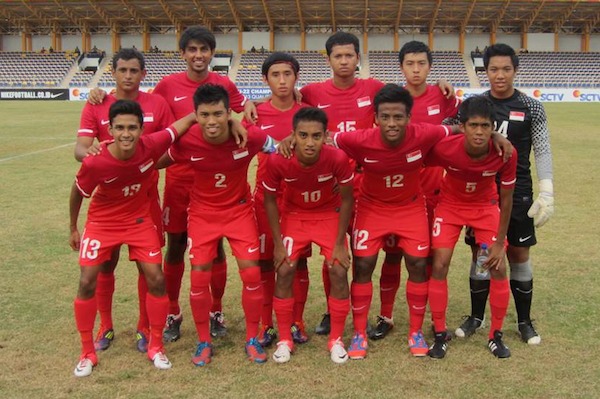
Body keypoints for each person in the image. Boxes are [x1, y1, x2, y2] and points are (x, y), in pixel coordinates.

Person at [299, 32, 455, 336]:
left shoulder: (375, 88)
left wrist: (439, 83)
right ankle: (334, 311)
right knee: (338, 252)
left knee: (395, 253)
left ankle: (389, 317)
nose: (344, 61)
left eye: (350, 56)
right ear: (328, 59)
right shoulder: (311, 93)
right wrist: (259, 100)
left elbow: (409, 94)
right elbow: (288, 101)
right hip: (337, 186)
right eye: (338, 56)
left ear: (359, 58)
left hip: (381, 186)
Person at [69, 99, 195, 377]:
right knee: (87, 280)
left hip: (139, 221)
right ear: (110, 130)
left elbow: (180, 125)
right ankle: (87, 352)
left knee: (156, 277)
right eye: (120, 128)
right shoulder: (95, 161)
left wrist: (216, 116)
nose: (126, 134)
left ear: (141, 129)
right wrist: (73, 228)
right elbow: (78, 191)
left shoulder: (151, 145)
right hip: (102, 223)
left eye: (132, 128)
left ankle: (156, 345)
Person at [333, 84, 458, 359]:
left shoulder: (425, 132)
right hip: (371, 208)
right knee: (364, 265)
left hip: (410, 208)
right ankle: (359, 334)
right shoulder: (357, 139)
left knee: (416, 264)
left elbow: (458, 130)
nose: (392, 123)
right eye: (385, 117)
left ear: (409, 117)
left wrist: (497, 137)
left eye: (398, 117)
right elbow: (327, 139)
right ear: (375, 117)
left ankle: (415, 332)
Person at [158, 84, 276, 366]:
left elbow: (283, 149)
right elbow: (153, 160)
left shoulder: (251, 136)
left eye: (219, 114)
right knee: (199, 276)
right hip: (201, 215)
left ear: (229, 113)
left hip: (239, 213)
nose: (212, 121)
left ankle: (251, 338)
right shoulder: (187, 141)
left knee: (251, 274)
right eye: (205, 115)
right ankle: (203, 342)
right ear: (196, 115)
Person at [75, 48, 175, 354]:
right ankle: (105, 326)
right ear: (113, 73)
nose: (128, 76)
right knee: (105, 265)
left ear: (143, 74)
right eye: (122, 70)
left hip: (145, 202)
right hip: (107, 203)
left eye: (134, 70)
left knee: (149, 268)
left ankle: (145, 326)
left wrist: (142, 166)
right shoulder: (97, 103)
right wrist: (91, 153)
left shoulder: (157, 103)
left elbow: (173, 143)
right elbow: (80, 148)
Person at [455, 43, 554, 346]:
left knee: (519, 254)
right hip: (481, 192)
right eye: (493, 69)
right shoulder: (475, 104)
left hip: (519, 191)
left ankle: (524, 322)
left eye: (506, 69)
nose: (500, 75)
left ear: (515, 70)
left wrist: (548, 188)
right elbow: (450, 129)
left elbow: (542, 148)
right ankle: (476, 316)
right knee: (482, 254)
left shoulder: (532, 106)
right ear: (485, 71)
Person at [368, 40, 461, 341]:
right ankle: (386, 316)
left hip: (434, 192)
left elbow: (465, 125)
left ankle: (437, 320)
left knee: (430, 260)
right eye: (410, 63)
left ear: (430, 67)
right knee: (392, 257)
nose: (416, 69)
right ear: (401, 67)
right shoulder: (393, 100)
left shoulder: (443, 97)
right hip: (397, 195)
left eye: (422, 63)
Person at [426, 95, 517, 359]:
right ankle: (441, 334)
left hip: (485, 207)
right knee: (440, 263)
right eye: (473, 125)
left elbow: (507, 198)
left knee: (498, 266)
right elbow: (415, 154)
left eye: (485, 126)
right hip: (450, 205)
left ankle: (495, 335)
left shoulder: (505, 152)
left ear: (493, 127)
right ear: (462, 126)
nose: (479, 132)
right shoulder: (444, 148)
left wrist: (500, 242)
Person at [263, 107, 354, 364]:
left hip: (328, 215)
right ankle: (284, 339)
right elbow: (270, 201)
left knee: (338, 269)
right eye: (303, 135)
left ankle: (336, 339)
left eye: (316, 136)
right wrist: (279, 244)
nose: (310, 142)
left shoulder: (337, 158)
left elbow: (347, 199)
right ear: (292, 135)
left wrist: (339, 244)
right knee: (285, 269)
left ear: (326, 136)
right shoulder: (279, 159)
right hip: (294, 216)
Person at [247, 52, 311, 348]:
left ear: (296, 78)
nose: (282, 80)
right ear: (265, 79)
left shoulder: (307, 112)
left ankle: (296, 320)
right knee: (264, 264)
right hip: (265, 199)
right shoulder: (254, 114)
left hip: (299, 201)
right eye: (276, 75)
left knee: (296, 264)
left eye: (288, 74)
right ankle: (267, 324)